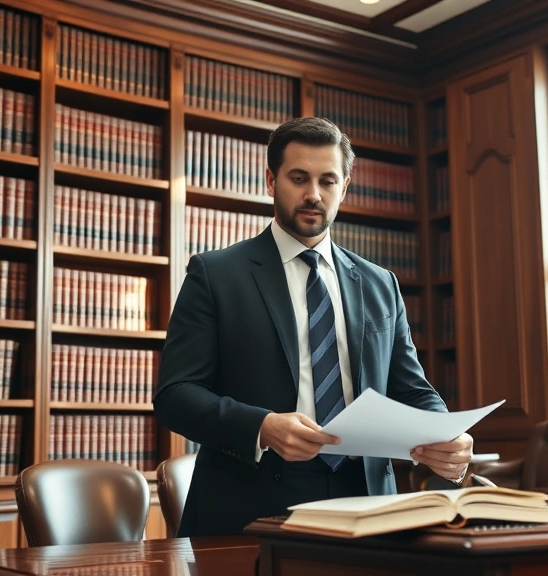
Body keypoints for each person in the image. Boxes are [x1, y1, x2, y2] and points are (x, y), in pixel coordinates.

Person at [154, 117, 474, 537]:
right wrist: (262, 426)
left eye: (327, 181)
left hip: (368, 500)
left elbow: (411, 389)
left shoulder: (380, 283)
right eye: (298, 178)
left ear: (344, 187)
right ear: (271, 180)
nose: (313, 194)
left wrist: (446, 435)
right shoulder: (215, 274)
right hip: (249, 503)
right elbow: (175, 395)